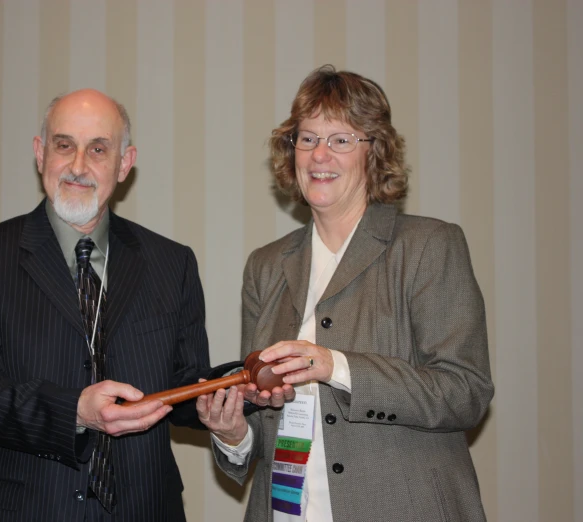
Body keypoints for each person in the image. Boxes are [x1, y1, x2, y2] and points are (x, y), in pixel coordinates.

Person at [197, 65, 494, 521]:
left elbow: (464, 391)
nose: (320, 155)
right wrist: (233, 432)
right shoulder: (265, 266)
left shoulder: (428, 246)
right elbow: (264, 417)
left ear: (374, 152)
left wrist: (334, 365)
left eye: (341, 140)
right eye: (308, 138)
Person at [0, 89, 211, 521]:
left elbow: (183, 382)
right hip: (25, 509)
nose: (78, 166)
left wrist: (230, 396)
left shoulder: (172, 263)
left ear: (124, 163)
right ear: (40, 152)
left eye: (98, 149)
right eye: (64, 145)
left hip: (146, 507)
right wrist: (76, 413)